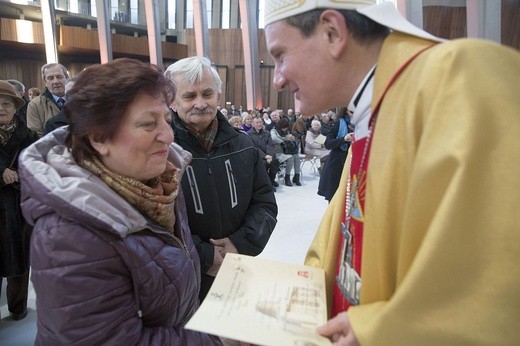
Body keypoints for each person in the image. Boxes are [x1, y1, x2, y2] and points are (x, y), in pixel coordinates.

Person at [264, 0, 520, 345]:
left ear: (332, 32)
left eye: (280, 55)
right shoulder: (369, 123)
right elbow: (339, 251)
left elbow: (494, 280)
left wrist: (379, 329)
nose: (277, 79)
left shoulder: (462, 76)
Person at [18, 58, 222, 344]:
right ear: (100, 137)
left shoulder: (158, 182)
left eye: (166, 119)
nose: (168, 135)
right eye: (148, 123)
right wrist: (220, 340)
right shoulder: (70, 238)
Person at [164, 56, 278, 301]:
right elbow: (153, 223)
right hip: (184, 279)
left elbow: (265, 204)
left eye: (207, 93)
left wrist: (238, 244)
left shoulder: (244, 146)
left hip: (238, 268)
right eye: (189, 96)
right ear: (172, 101)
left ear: (218, 96)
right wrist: (205, 256)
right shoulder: (160, 151)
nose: (200, 103)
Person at [0, 80, 39, 321]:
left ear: (15, 107)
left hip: (18, 207)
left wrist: (18, 177)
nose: (1, 108)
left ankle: (18, 307)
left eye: (6, 103)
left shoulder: (29, 135)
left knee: (19, 261)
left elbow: (37, 167)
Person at [318, 109, 353, 202]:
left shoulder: (363, 125)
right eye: (351, 112)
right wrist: (344, 139)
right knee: (335, 199)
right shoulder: (339, 124)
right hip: (337, 164)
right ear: (346, 111)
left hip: (354, 165)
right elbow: (328, 143)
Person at [26, 62, 69, 137]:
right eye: (50, 78)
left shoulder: (81, 100)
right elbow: (35, 135)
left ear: (67, 78)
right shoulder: (35, 105)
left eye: (59, 77)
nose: (55, 81)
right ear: (45, 82)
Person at [247, 116, 280, 191]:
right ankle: (264, 184)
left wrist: (270, 155)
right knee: (263, 165)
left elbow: (270, 145)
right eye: (257, 123)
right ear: (253, 124)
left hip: (269, 155)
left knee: (275, 162)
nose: (259, 124)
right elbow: (254, 147)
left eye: (260, 122)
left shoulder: (267, 133)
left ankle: (271, 182)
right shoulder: (249, 134)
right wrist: (265, 156)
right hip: (258, 156)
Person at [270, 118, 301, 186]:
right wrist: (285, 139)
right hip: (278, 152)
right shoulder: (274, 130)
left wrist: (292, 138)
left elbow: (291, 138)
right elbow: (274, 138)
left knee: (297, 157)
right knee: (290, 158)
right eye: (283, 128)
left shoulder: (287, 131)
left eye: (286, 127)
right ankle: (287, 177)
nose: (285, 129)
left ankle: (296, 176)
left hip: (288, 150)